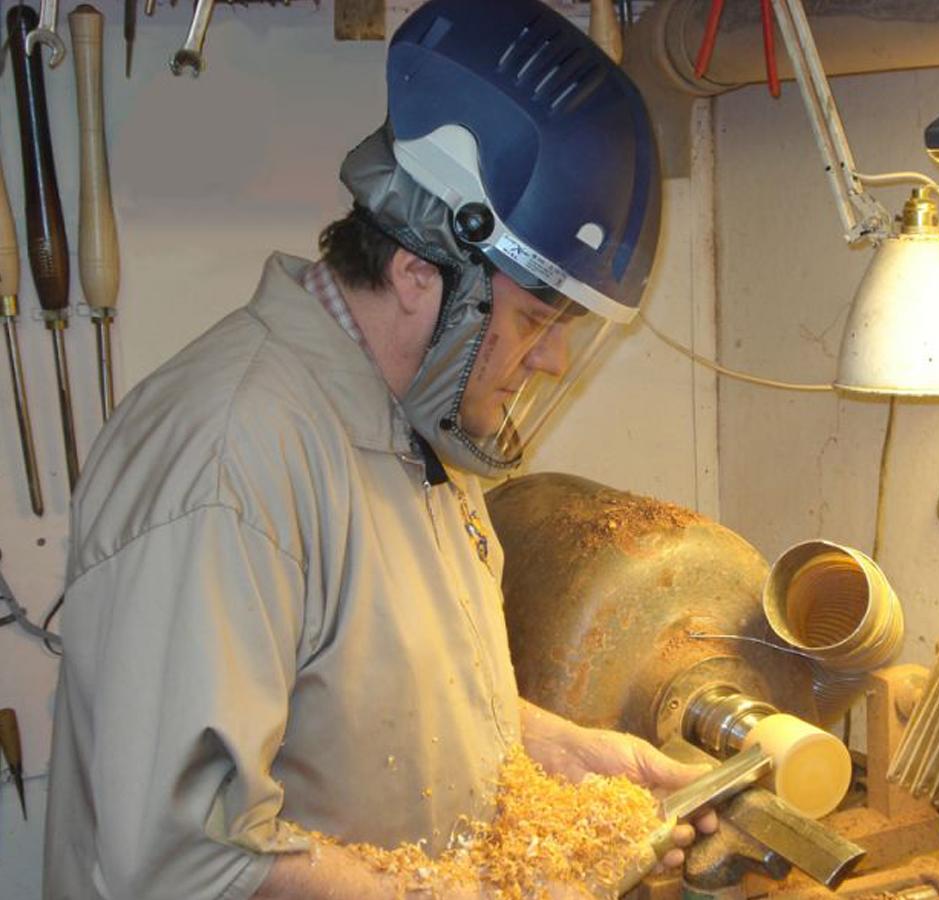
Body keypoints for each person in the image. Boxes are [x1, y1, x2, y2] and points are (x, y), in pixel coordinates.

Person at [43, 0, 715, 897]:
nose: (551, 360)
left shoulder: (420, 417)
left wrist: (570, 757)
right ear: (416, 274)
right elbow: (192, 856)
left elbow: (391, 710)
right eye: (533, 320)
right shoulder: (229, 459)